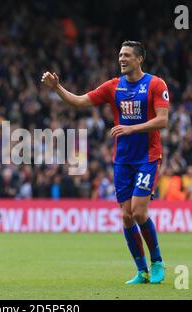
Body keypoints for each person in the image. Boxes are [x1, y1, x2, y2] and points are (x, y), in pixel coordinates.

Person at [42, 40, 169, 284]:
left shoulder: (155, 84)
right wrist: (57, 87)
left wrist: (132, 129)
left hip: (147, 157)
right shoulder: (113, 86)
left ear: (139, 59)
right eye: (120, 54)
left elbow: (162, 120)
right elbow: (79, 101)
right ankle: (141, 270)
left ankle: (157, 263)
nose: (122, 59)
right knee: (126, 216)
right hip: (122, 159)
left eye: (128, 55)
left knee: (139, 212)